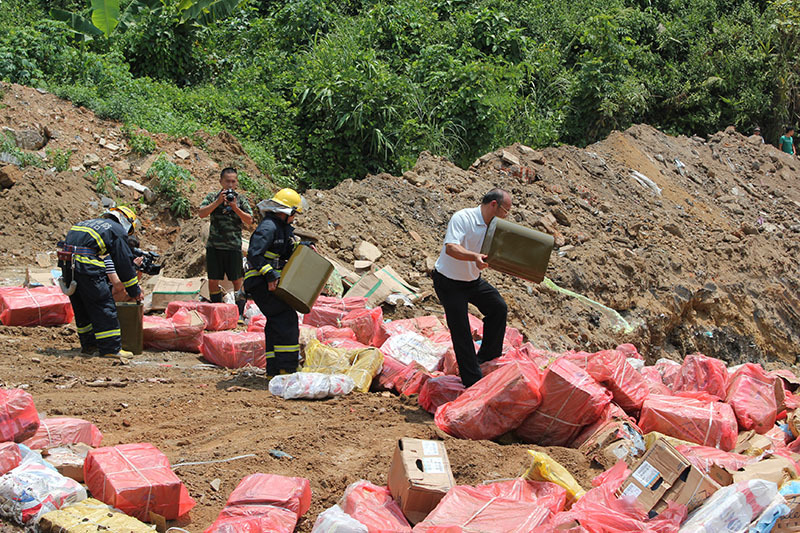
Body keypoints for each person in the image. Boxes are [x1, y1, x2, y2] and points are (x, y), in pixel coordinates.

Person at [431, 188, 511, 387]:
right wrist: (474, 257)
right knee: (462, 332)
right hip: (448, 282)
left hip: (472, 281)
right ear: (494, 205)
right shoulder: (463, 218)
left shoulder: (494, 228)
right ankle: (473, 383)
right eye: (506, 210)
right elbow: (451, 247)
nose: (506, 216)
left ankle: (485, 359)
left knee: (498, 308)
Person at [57, 206, 143, 357]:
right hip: (86, 267)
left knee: (81, 306)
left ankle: (89, 345)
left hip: (67, 267)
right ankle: (111, 349)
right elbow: (123, 264)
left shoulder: (85, 223)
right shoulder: (117, 230)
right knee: (103, 305)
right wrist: (134, 291)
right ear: (126, 222)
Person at [244, 188, 306, 376]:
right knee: (286, 318)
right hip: (260, 281)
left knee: (275, 321)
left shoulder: (280, 229)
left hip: (265, 282)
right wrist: (270, 275)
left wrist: (304, 247)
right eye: (294, 213)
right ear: (287, 212)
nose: (295, 218)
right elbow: (254, 254)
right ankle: (286, 369)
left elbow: (286, 252)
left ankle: (274, 369)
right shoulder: (268, 227)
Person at [198, 167, 253, 307]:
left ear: (236, 183)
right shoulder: (212, 197)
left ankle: (239, 311)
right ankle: (217, 308)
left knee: (237, 280)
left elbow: (249, 220)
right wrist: (217, 202)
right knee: (213, 280)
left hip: (233, 246)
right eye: (227, 181)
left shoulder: (240, 199)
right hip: (214, 246)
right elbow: (201, 213)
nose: (230, 184)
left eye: (233, 181)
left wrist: (235, 207)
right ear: (221, 182)